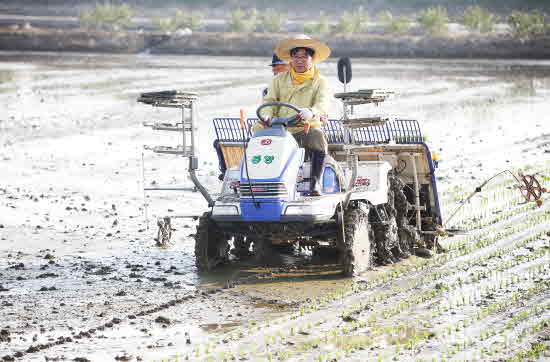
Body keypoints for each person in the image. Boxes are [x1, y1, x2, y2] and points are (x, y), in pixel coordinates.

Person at [253, 35, 331, 196]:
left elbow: (323, 104)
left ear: (312, 59)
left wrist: (311, 111)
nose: (300, 60)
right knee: (257, 131)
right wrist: (267, 116)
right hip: (279, 126)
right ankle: (256, 179)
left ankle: (314, 183)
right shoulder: (278, 80)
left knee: (317, 138)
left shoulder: (321, 81)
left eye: (304, 57)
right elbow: (269, 100)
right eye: (296, 56)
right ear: (291, 59)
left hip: (305, 126)